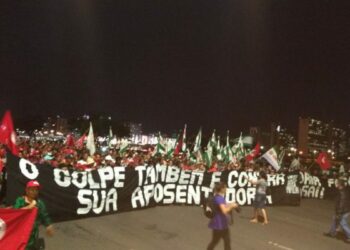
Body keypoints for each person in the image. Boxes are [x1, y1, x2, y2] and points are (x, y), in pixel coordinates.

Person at [14, 180, 54, 250]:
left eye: (36, 190)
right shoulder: (20, 200)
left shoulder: (40, 203)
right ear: (27, 190)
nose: (34, 192)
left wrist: (48, 225)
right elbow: (15, 213)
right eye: (32, 190)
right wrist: (28, 207)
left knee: (31, 247)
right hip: (21, 231)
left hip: (33, 232)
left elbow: (44, 215)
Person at [207, 182, 238, 250]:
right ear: (222, 189)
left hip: (221, 224)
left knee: (226, 242)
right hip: (219, 225)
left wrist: (230, 204)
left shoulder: (218, 197)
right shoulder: (220, 198)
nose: (226, 189)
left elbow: (222, 206)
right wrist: (232, 206)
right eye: (225, 187)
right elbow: (224, 211)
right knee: (216, 242)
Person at [324, 178, 350, 243]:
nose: (336, 184)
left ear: (339, 184)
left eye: (337, 183)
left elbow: (342, 204)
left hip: (343, 211)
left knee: (343, 223)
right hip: (344, 210)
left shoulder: (342, 192)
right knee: (334, 219)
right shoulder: (343, 190)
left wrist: (339, 213)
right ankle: (332, 233)